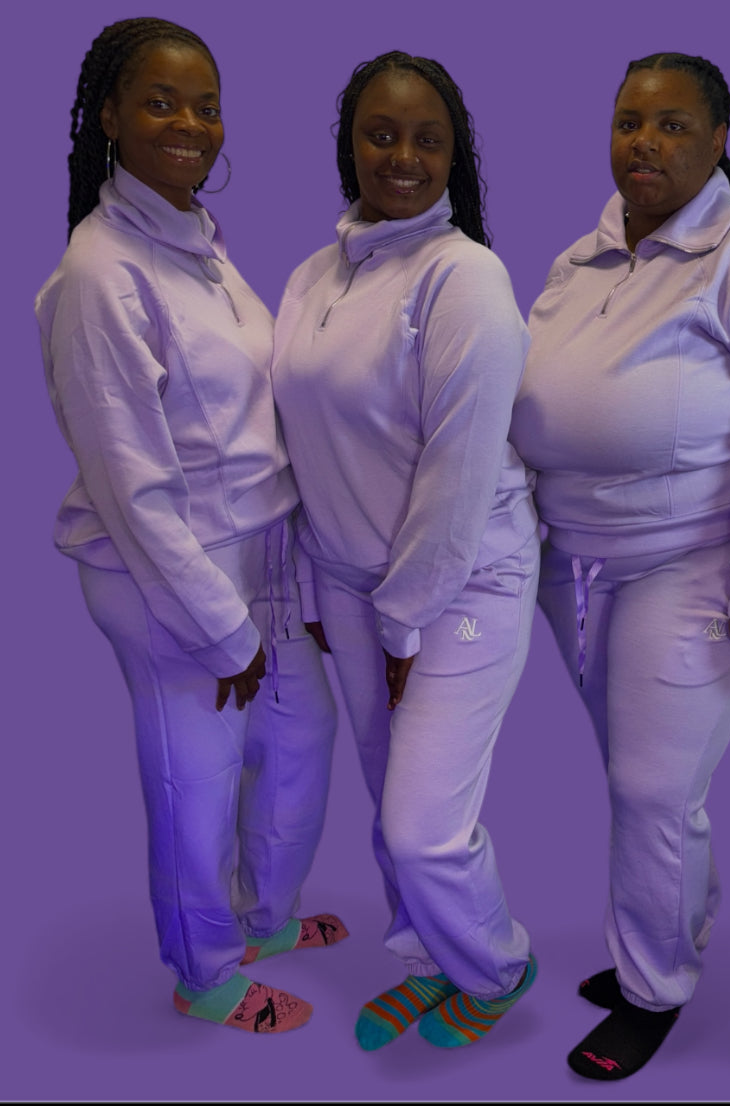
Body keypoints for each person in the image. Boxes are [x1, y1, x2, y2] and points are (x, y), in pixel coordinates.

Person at [509, 52, 730, 1081]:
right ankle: (673, 921)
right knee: (641, 777)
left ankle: (653, 986)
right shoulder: (579, 260)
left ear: (719, 138)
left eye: (671, 123)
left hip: (690, 561)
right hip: (572, 564)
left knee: (651, 787)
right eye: (627, 122)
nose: (643, 142)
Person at [36, 17, 346, 1035]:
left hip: (263, 553)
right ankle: (206, 970)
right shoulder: (101, 273)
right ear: (109, 117)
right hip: (170, 570)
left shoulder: (197, 243)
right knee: (195, 781)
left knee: (298, 739)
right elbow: (131, 484)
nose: (189, 124)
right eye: (160, 102)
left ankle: (264, 916)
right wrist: (220, 628)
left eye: (206, 106)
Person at [271, 51, 540, 1052]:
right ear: (348, 141)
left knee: (423, 823)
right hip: (349, 581)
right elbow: (301, 440)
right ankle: (426, 954)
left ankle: (496, 965)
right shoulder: (313, 275)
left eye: (428, 139)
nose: (403, 156)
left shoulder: (464, 277)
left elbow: (458, 474)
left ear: (454, 153)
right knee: (387, 801)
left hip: (461, 581)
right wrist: (320, 586)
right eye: (380, 133)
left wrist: (403, 620)